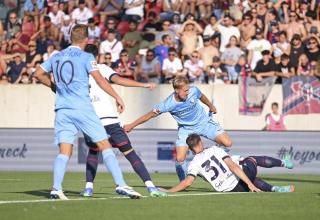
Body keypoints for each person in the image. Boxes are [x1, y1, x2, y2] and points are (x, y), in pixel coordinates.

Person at [34, 24, 141, 200]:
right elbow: (99, 80)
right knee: (105, 145)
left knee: (64, 151)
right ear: (86, 39)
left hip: (62, 109)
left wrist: (55, 88)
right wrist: (117, 97)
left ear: (70, 37)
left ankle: (56, 188)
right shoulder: (86, 56)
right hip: (82, 108)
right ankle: (121, 185)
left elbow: (38, 74)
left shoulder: (56, 56)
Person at [81, 44, 167, 198]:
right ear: (97, 56)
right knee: (129, 153)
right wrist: (144, 84)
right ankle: (151, 187)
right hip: (109, 119)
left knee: (93, 152)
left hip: (91, 120)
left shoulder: (77, 72)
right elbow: (119, 80)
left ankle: (88, 189)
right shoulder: (100, 68)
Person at [124, 76, 232, 181]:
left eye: (188, 89)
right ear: (176, 90)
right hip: (186, 129)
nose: (188, 92)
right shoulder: (167, 104)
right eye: (185, 90)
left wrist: (211, 106)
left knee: (227, 143)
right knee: (180, 159)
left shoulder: (193, 91)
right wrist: (132, 125)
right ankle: (184, 181)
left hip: (204, 123)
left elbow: (201, 96)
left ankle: (210, 159)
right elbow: (149, 115)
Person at [161, 134, 294, 193]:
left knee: (253, 179)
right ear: (200, 142)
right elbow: (233, 166)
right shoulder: (214, 149)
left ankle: (275, 189)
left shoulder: (193, 164)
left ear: (190, 149)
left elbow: (187, 182)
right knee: (252, 160)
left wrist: (169, 191)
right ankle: (284, 162)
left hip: (231, 190)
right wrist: (249, 183)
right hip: (238, 181)